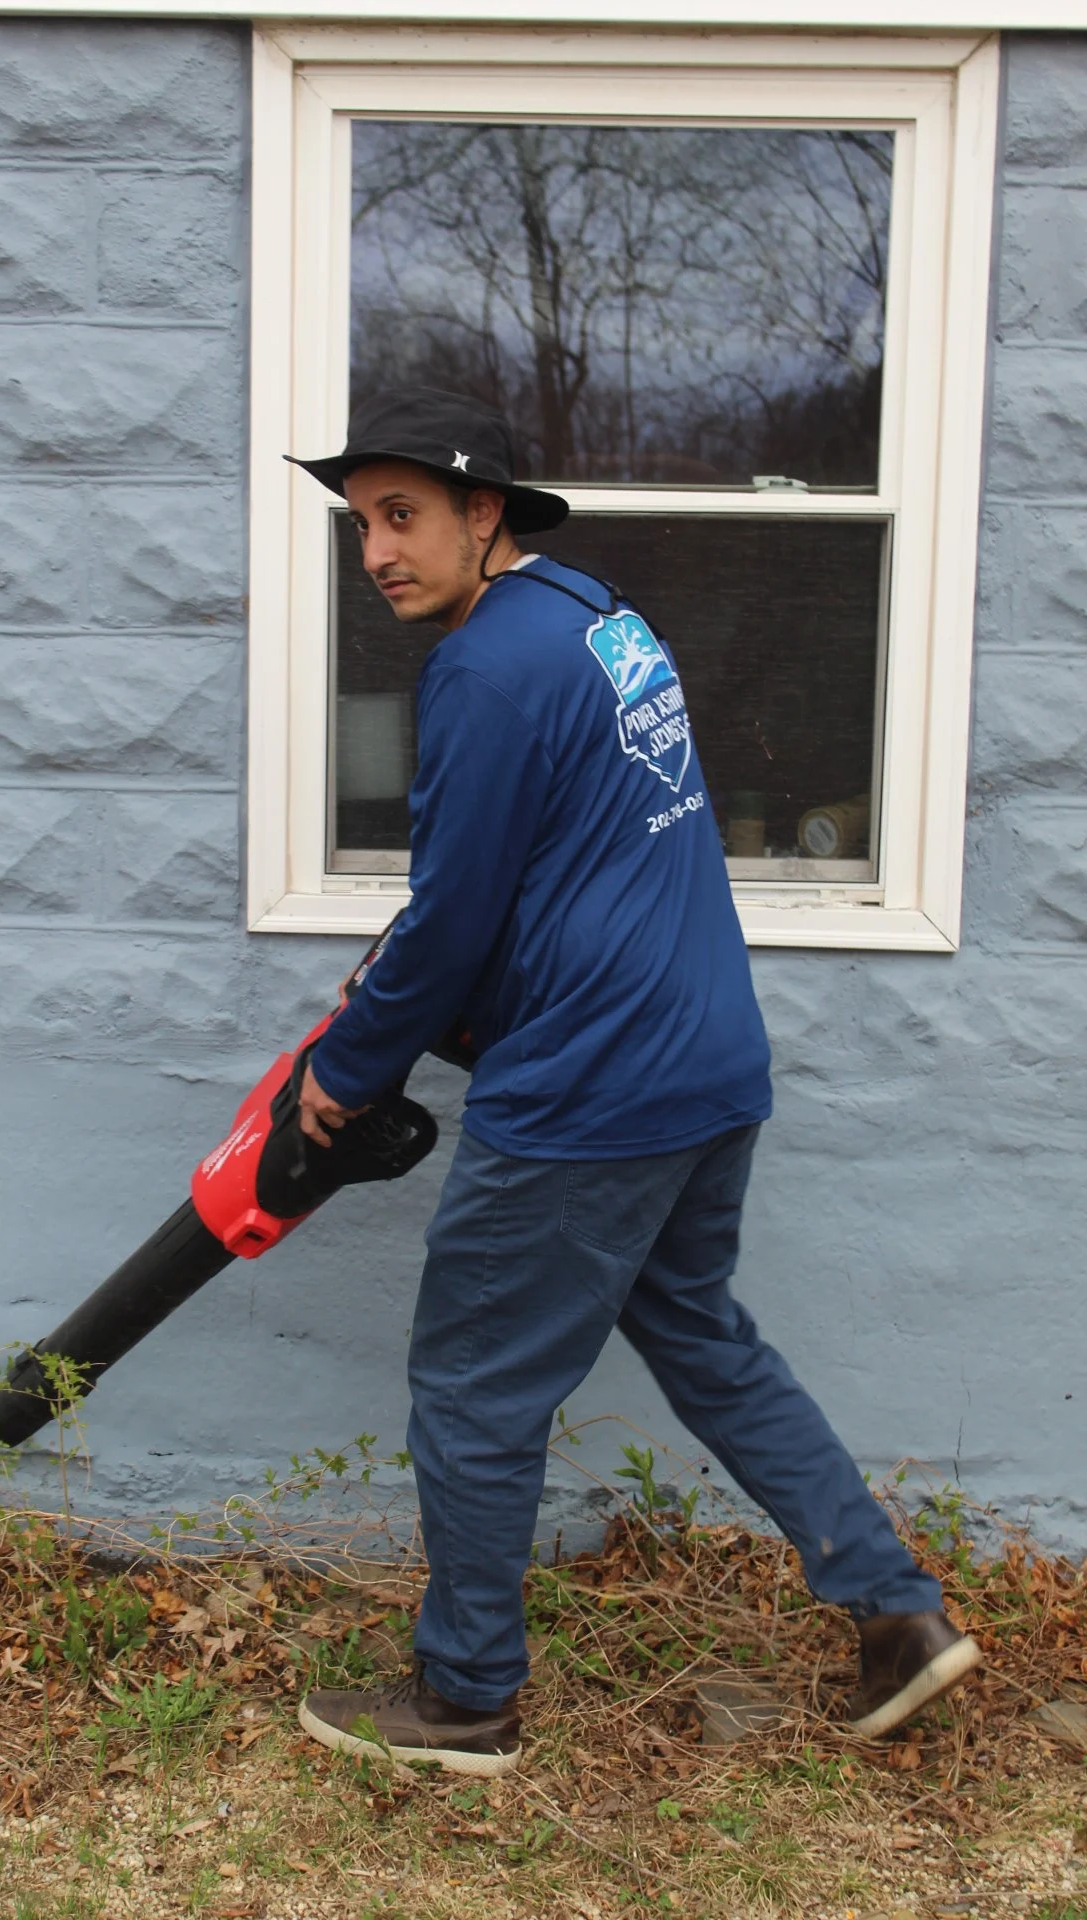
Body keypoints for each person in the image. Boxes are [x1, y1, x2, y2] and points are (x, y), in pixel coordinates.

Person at [284, 386, 980, 1777]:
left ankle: (466, 1697)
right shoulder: (603, 619)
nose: (377, 551)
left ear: (487, 514)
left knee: (475, 1386)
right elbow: (569, 857)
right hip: (708, 1056)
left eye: (404, 516)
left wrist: (345, 1067)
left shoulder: (483, 671)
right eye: (364, 523)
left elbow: (456, 911)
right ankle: (896, 1609)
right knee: (702, 1337)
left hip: (594, 1092)